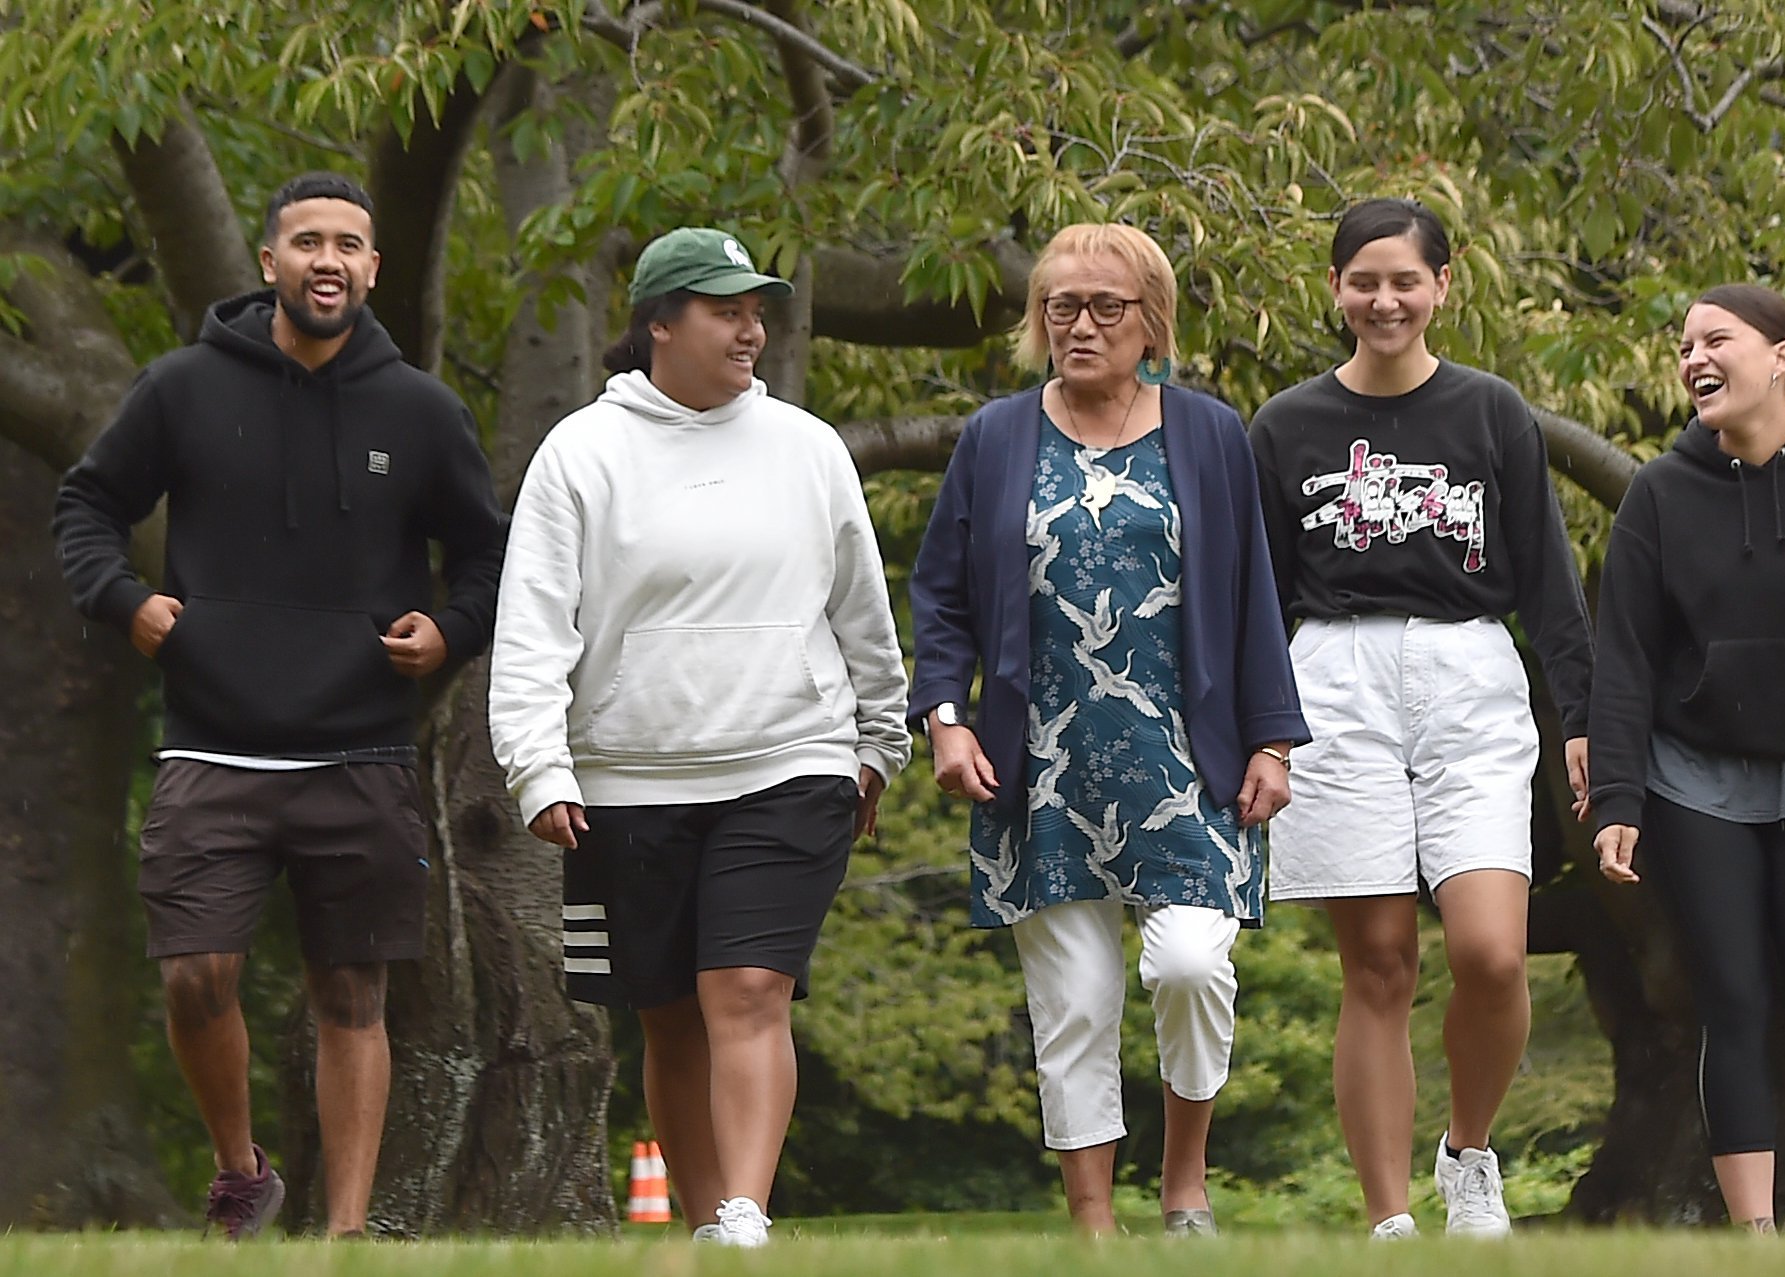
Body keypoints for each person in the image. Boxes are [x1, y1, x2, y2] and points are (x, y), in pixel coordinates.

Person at [50, 173, 507, 1239]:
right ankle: (241, 1166)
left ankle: (345, 1232)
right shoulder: (182, 387)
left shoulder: (422, 409)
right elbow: (87, 501)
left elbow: (488, 550)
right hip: (215, 743)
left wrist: (452, 629)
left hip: (362, 750)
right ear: (269, 262)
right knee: (196, 978)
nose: (328, 260)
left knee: (353, 997)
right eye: (306, 241)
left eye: (349, 243)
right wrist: (123, 602)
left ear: (372, 268)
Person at [488, 227, 910, 1248]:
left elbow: (862, 609)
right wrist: (536, 764)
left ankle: (743, 1212)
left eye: (757, 311)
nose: (751, 330)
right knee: (668, 1010)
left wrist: (877, 739)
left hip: (788, 759)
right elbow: (533, 622)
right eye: (727, 310)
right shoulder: (581, 453)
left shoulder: (808, 449)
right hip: (626, 778)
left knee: (748, 986)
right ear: (659, 324)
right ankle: (703, 1227)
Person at [909, 221, 1306, 1238]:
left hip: (1188, 762)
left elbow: (1252, 592)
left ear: (1151, 321)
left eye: (1104, 307)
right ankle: (1091, 1224)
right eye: (1060, 307)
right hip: (1039, 767)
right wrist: (945, 719)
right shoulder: (995, 437)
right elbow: (942, 596)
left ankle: (1184, 1185)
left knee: (1185, 963)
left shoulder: (1211, 433)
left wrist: (1270, 738)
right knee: (1076, 1001)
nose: (1080, 325)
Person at [1249, 197, 1594, 1239]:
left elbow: (1548, 578)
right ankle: (1388, 1216)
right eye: (1363, 280)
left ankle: (1467, 1152)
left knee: (1491, 948)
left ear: (1442, 285)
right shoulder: (1285, 424)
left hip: (1469, 669)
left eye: (1404, 279)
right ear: (1334, 290)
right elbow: (1256, 596)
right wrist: (1261, 728)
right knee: (1381, 962)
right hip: (1332, 676)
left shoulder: (1491, 412)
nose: (1384, 298)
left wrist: (1581, 714)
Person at [1586, 284, 1785, 1233]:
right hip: (1696, 783)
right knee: (1728, 1002)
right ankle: (1754, 1239)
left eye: (1714, 339)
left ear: (1780, 355)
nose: (1693, 358)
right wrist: (1617, 797)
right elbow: (1626, 660)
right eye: (1683, 345)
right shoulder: (1658, 493)